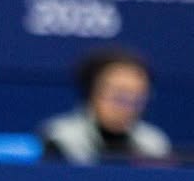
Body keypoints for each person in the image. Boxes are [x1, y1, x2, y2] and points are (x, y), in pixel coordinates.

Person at [40, 47, 172, 164]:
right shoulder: (58, 138)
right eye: (120, 94)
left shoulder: (154, 143)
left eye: (138, 96)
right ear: (92, 92)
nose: (128, 105)